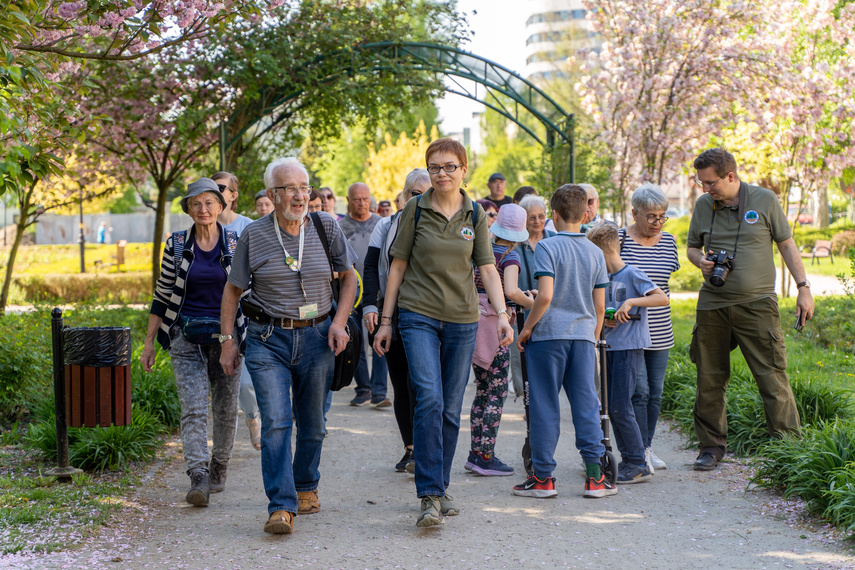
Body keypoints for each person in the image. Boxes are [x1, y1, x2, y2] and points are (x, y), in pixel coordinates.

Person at [373, 138, 513, 527]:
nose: (442, 174)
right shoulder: (415, 210)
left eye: (449, 166)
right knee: (429, 399)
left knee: (451, 408)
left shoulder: (475, 214)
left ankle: (440, 485)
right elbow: (397, 267)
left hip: (463, 320)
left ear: (463, 170)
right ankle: (429, 495)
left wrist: (501, 314)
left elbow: (487, 268)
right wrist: (386, 321)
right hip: (417, 315)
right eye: (435, 167)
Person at [219, 157, 357, 535]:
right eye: (289, 189)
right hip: (268, 339)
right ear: (271, 195)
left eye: (304, 187)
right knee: (277, 424)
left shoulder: (326, 227)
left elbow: (349, 279)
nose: (299, 196)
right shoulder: (254, 234)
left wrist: (340, 323)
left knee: (312, 425)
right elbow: (232, 290)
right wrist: (227, 341)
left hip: (317, 337)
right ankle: (281, 506)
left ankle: (306, 483)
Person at [687, 148, 814, 471]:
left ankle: (789, 449)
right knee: (709, 378)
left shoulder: (765, 200)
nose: (706, 189)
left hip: (757, 304)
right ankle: (710, 448)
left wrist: (803, 288)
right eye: (702, 183)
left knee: (771, 376)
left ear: (731, 176)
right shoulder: (704, 206)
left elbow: (786, 243)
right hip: (712, 305)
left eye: (710, 182)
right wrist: (699, 260)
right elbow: (691, 247)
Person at [141, 178, 243, 507]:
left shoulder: (234, 242)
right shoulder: (177, 244)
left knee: (225, 410)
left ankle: (219, 466)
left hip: (227, 338)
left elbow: (248, 290)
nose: (203, 209)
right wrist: (148, 343)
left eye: (209, 203)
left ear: (220, 206)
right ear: (187, 208)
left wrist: (248, 337)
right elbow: (163, 294)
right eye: (195, 204)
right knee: (194, 410)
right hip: (185, 336)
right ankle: (198, 475)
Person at [512, 184, 615, 500]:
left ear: (553, 215)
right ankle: (595, 479)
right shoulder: (596, 252)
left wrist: (527, 329)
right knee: (586, 406)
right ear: (586, 214)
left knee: (544, 405)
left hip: (548, 338)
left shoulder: (547, 248)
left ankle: (543, 478)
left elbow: (544, 296)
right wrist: (593, 337)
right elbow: (600, 306)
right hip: (583, 337)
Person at [587, 223, 668, 484]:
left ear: (602, 251)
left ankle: (637, 462)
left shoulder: (632, 273)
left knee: (622, 406)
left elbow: (661, 298)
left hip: (628, 348)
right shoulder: (604, 279)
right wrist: (609, 318)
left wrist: (632, 301)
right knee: (612, 406)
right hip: (610, 347)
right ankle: (628, 459)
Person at [363, 168, 430, 472]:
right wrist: (369, 307)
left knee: (422, 384)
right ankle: (412, 448)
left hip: (429, 314)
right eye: (415, 194)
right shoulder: (386, 226)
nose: (420, 199)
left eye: (426, 193)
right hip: (392, 313)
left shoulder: (440, 225)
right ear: (404, 196)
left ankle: (428, 449)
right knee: (402, 385)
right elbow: (369, 268)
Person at [466, 203, 534, 477]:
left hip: (474, 323)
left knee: (481, 391)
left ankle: (474, 453)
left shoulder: (479, 251)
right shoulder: (511, 256)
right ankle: (486, 455)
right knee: (497, 391)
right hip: (497, 327)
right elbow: (511, 290)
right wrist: (532, 302)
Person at [619, 183, 680, 472]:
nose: (657, 222)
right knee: (639, 391)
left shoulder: (669, 242)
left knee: (655, 392)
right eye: (651, 216)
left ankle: (647, 446)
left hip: (660, 329)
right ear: (634, 213)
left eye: (662, 216)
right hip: (630, 329)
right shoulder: (619, 240)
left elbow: (664, 284)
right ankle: (637, 450)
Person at [212, 171, 260, 452]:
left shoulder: (249, 227)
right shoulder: (201, 226)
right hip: (211, 315)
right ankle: (222, 450)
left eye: (221, 188)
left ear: (233, 195)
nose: (215, 193)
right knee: (225, 383)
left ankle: (254, 417)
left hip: (247, 314)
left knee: (246, 382)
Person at [338, 182, 389, 408]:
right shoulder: (340, 227)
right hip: (349, 293)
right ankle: (363, 389)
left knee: (380, 339)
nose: (361, 203)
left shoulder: (382, 225)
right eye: (357, 199)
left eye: (365, 198)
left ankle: (379, 392)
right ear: (348, 200)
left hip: (377, 292)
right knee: (355, 341)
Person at [509, 195, 555, 396]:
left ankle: (543, 401)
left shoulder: (555, 241)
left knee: (547, 362)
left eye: (541, 216)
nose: (537, 221)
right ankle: (526, 399)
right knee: (521, 360)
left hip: (550, 313)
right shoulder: (514, 244)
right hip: (521, 311)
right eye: (532, 217)